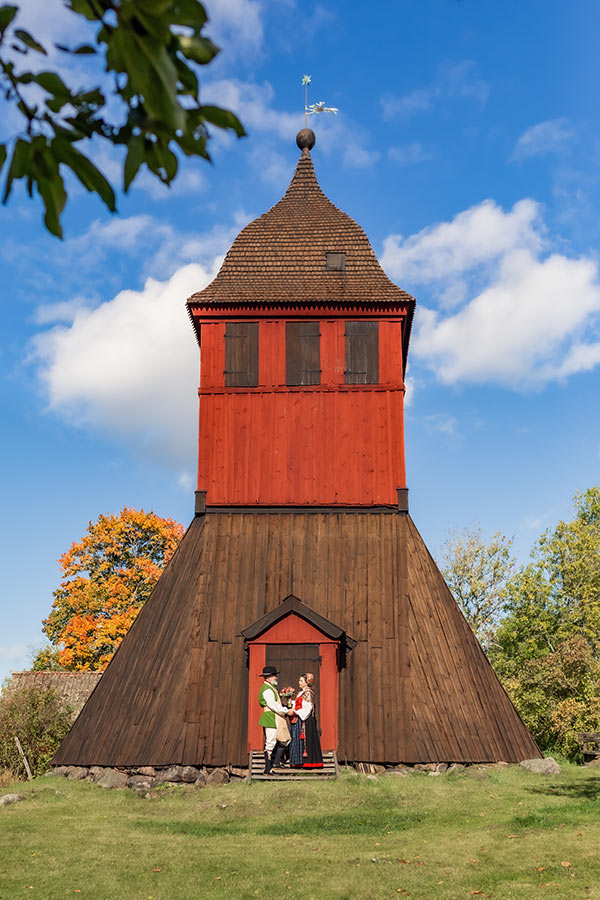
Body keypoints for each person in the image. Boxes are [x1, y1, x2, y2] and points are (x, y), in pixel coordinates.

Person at [258, 665, 291, 775]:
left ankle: (271, 767)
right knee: (270, 743)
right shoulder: (267, 690)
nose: (276, 677)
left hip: (273, 716)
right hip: (270, 717)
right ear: (269, 677)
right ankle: (268, 769)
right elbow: (273, 706)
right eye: (274, 675)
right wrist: (286, 710)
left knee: (275, 741)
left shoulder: (270, 688)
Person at [291, 672, 323, 769]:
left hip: (307, 719)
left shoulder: (308, 692)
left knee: (307, 740)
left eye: (301, 681)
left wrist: (297, 712)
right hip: (301, 718)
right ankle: (299, 761)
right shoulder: (301, 692)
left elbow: (308, 707)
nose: (299, 682)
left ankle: (309, 763)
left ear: (306, 682)